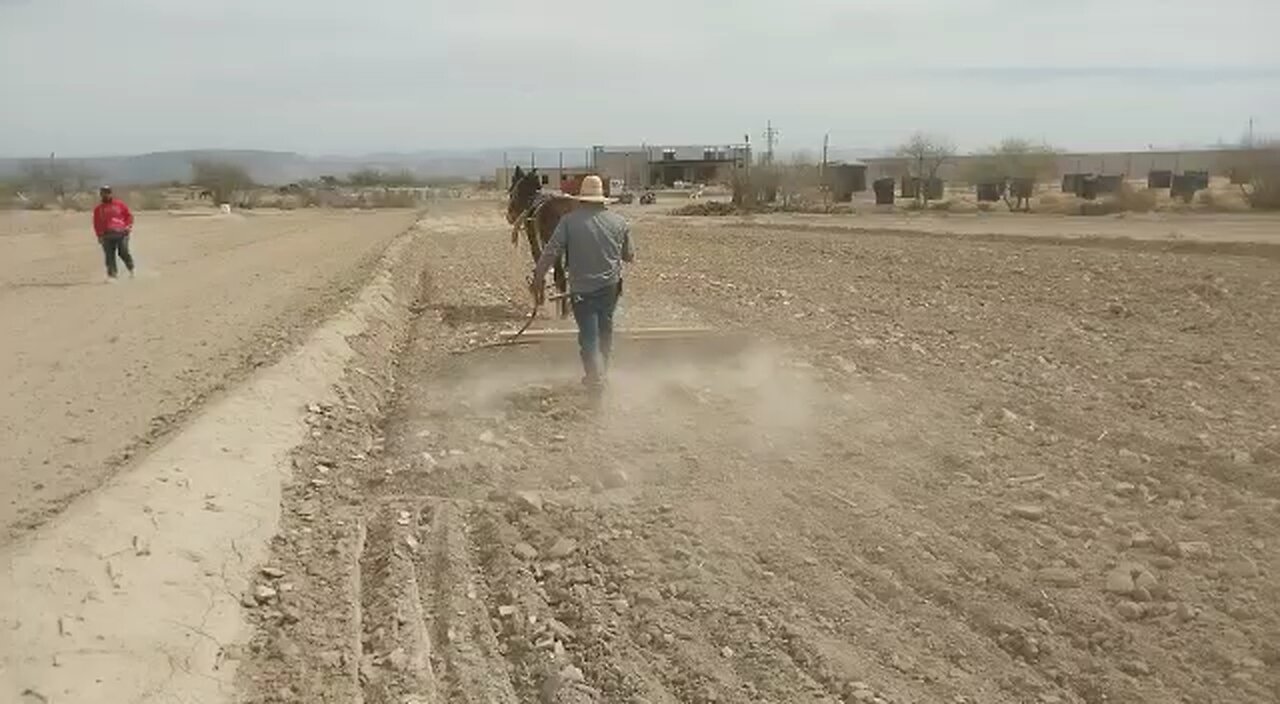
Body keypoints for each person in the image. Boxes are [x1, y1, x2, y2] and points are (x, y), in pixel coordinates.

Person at [532, 175, 634, 390]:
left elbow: (551, 252)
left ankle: (595, 378)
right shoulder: (619, 222)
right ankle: (602, 372)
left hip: (582, 289)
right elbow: (629, 255)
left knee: (589, 335)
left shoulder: (569, 222)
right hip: (611, 287)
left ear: (580, 199)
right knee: (605, 330)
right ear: (602, 199)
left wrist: (538, 277)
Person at [92, 185, 135, 281]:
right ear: (101, 194)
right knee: (109, 255)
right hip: (107, 235)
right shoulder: (98, 209)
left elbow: (128, 216)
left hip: (122, 233)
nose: (105, 195)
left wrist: (128, 226)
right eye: (103, 193)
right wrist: (99, 235)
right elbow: (96, 223)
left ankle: (131, 269)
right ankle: (112, 275)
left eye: (107, 192)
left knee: (123, 252)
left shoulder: (119, 204)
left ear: (111, 193)